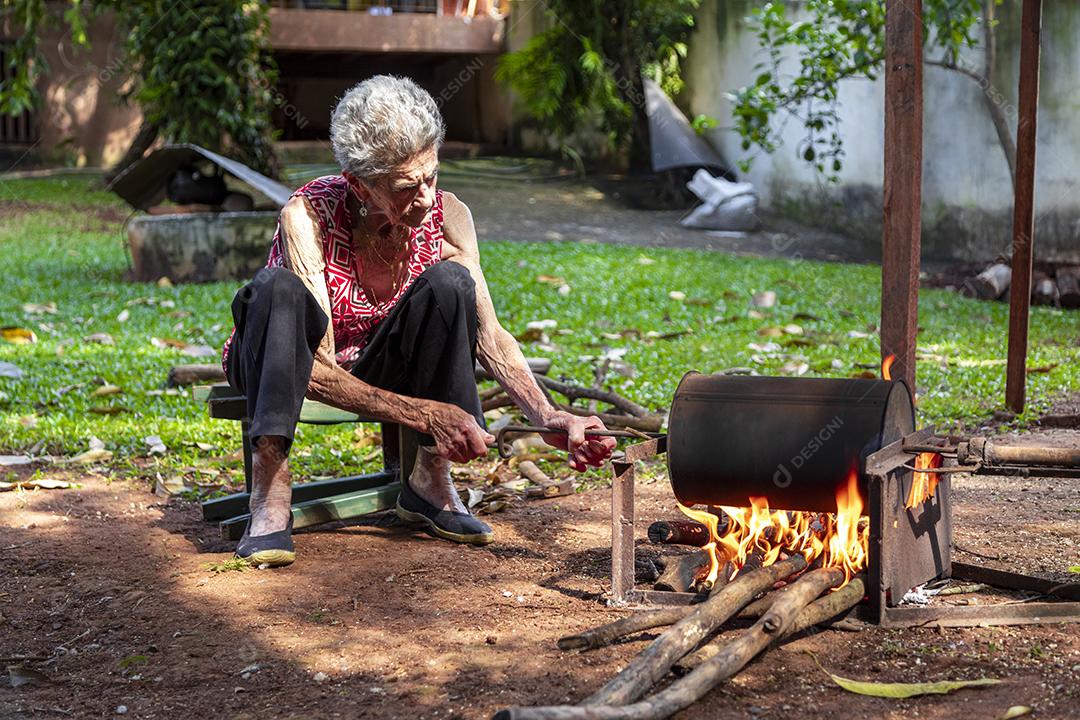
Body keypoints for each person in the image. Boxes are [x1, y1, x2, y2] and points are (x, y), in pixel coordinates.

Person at [221, 75, 616, 567]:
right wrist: (425, 414)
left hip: (374, 360)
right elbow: (316, 372)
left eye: (431, 175)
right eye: (408, 186)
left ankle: (430, 481)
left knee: (453, 283)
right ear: (359, 184)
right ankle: (270, 492)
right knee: (275, 290)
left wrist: (546, 415)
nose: (427, 197)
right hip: (282, 360)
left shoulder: (449, 215)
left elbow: (489, 335)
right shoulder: (308, 216)